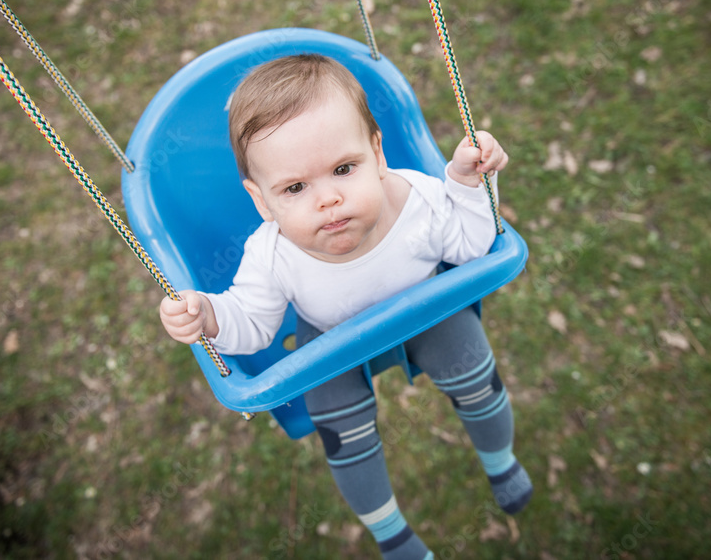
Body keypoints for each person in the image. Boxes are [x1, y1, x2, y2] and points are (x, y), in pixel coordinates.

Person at [160, 53, 532, 559]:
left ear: (377, 155)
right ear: (262, 201)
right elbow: (253, 324)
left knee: (478, 376)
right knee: (343, 435)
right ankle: (391, 532)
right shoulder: (271, 255)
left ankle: (501, 460)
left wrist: (470, 186)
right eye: (295, 187)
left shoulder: (417, 200)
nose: (328, 199)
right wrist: (208, 317)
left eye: (342, 168)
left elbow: (471, 248)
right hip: (330, 338)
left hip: (424, 306)